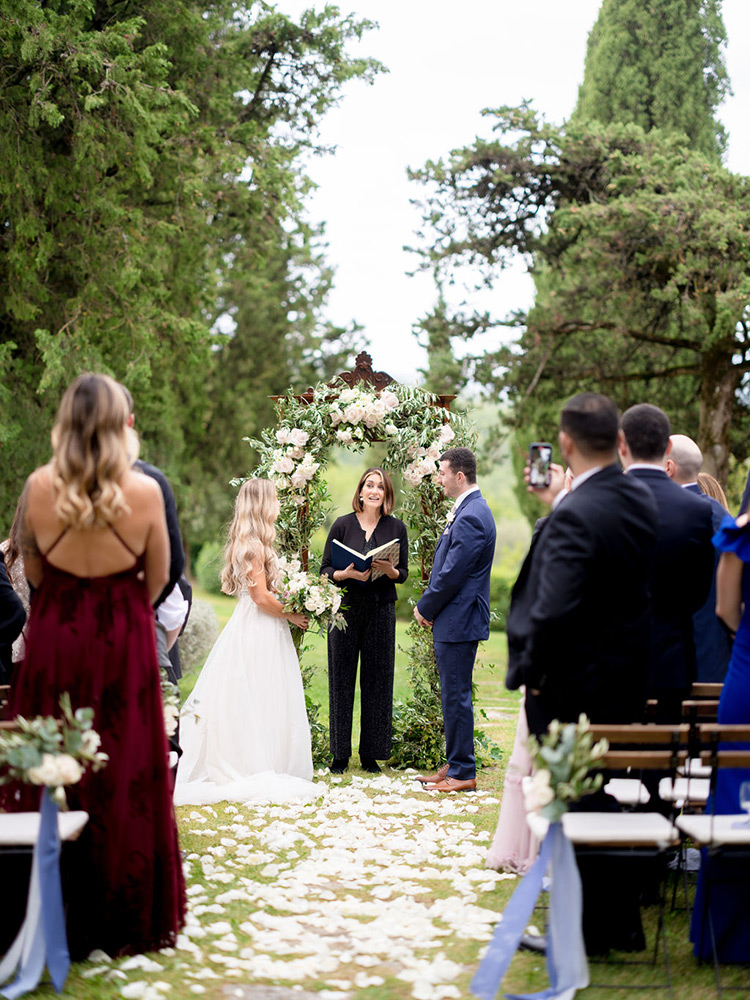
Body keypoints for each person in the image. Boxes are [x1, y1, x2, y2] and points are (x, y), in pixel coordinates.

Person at [9, 372, 184, 958]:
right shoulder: (145, 494)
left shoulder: (37, 487)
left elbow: (33, 572)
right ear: (120, 425)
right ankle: (121, 910)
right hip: (123, 637)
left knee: (52, 760)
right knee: (125, 766)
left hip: (59, 633)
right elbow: (159, 577)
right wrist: (119, 603)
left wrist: (69, 598)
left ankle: (53, 907)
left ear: (65, 422)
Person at [506, 392, 659, 956]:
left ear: (564, 444)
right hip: (625, 680)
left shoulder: (575, 513)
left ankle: (595, 929)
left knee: (574, 803)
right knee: (590, 798)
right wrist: (557, 501)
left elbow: (555, 609)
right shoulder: (638, 499)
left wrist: (535, 674)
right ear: (618, 441)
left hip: (573, 687)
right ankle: (613, 923)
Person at [175, 478, 316, 805]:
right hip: (258, 628)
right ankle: (249, 761)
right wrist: (291, 614)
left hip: (263, 626)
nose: (279, 504)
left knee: (263, 692)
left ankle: (265, 756)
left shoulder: (254, 542)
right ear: (263, 503)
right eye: (275, 499)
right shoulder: (253, 545)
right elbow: (259, 597)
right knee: (256, 691)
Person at [619, 405, 715, 720]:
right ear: (668, 447)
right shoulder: (698, 510)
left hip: (612, 660)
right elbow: (698, 593)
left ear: (622, 443)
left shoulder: (599, 500)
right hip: (672, 661)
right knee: (663, 761)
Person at [414, 447, 496, 792]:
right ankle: (456, 760)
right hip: (455, 618)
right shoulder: (468, 510)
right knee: (452, 693)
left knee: (456, 694)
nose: (440, 479)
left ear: (459, 476)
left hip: (459, 619)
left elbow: (452, 574)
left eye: (443, 473)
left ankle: (464, 771)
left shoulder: (473, 515)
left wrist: (425, 607)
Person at [689, 510, 750, 962]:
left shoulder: (741, 533)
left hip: (746, 674)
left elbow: (726, 610)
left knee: (735, 797)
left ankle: (728, 935)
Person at [321, 467, 409, 774]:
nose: (374, 490)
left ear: (386, 495)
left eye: (380, 487)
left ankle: (372, 754)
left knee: (378, 680)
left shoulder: (396, 528)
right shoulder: (343, 525)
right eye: (369, 485)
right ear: (360, 491)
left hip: (381, 609)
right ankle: (339, 755)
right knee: (341, 680)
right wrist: (342, 574)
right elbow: (325, 569)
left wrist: (390, 571)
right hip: (344, 611)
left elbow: (404, 573)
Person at [666, 434, 732, 683]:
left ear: (668, 467)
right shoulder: (725, 521)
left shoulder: (668, 515)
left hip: (680, 661)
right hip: (718, 659)